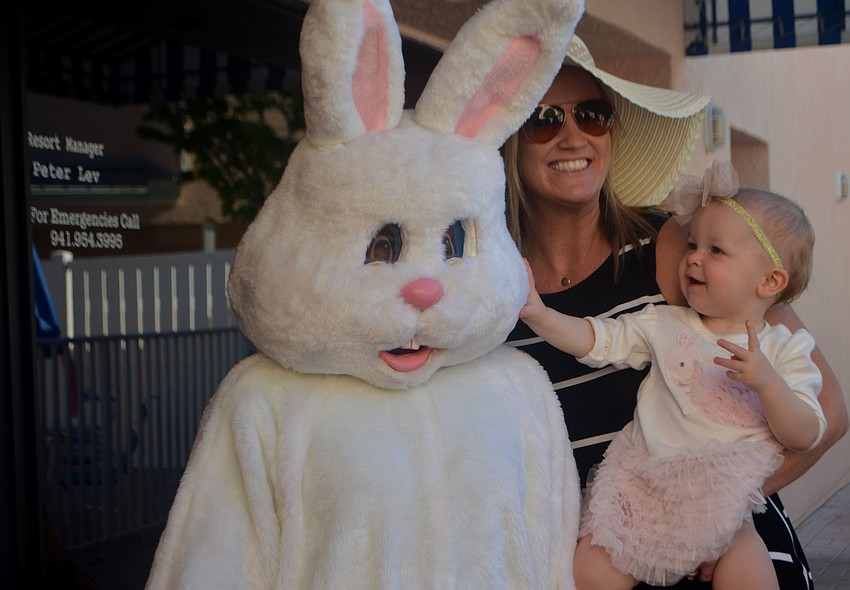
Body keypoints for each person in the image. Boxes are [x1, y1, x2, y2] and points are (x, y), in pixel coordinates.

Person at [503, 35, 848, 589]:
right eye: (543, 118)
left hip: (722, 554)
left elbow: (826, 407)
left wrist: (710, 523)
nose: (573, 135)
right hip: (600, 553)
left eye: (591, 115)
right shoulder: (486, 283)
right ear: (508, 140)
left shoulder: (679, 247)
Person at [520, 182, 827, 589]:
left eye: (715, 251)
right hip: (643, 485)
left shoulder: (783, 349)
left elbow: (807, 432)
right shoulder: (663, 323)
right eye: (692, 245)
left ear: (769, 281)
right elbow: (597, 339)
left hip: (722, 502)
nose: (694, 258)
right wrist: (541, 316)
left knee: (747, 567)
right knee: (592, 565)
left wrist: (769, 385)